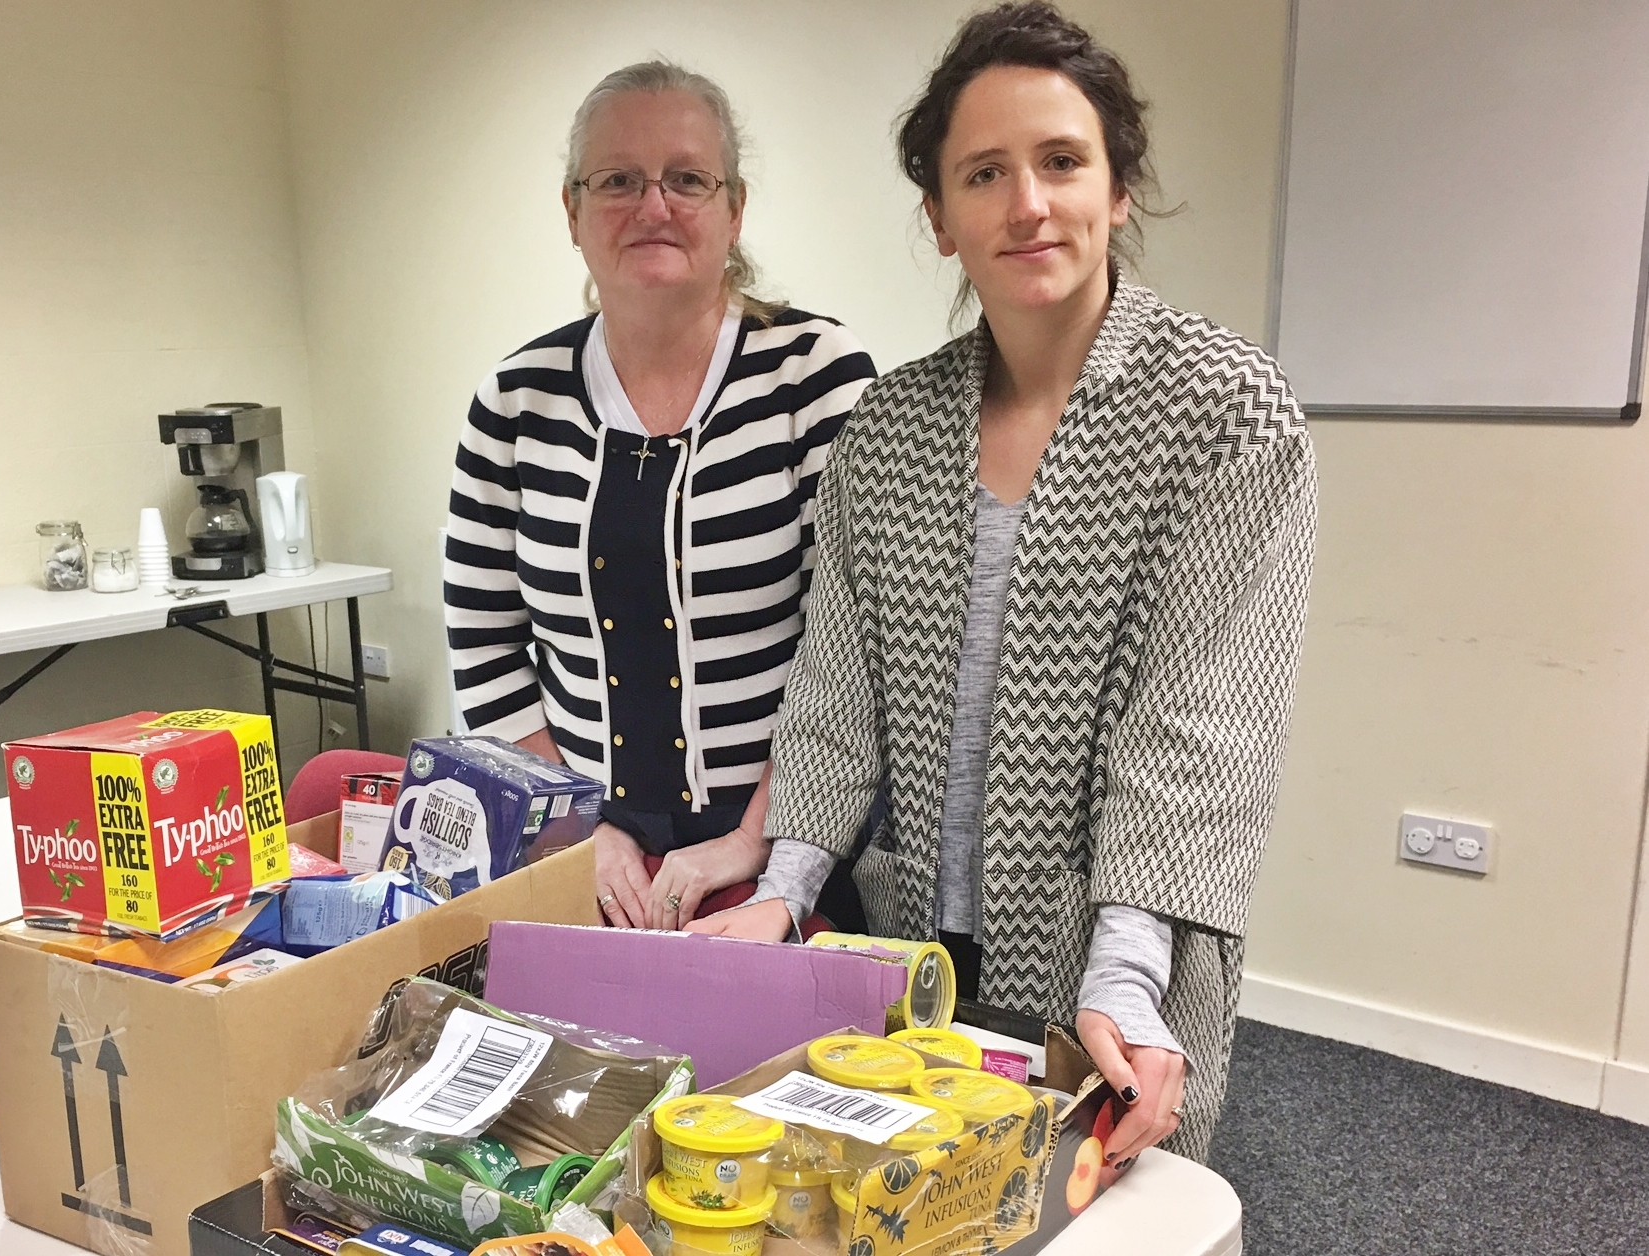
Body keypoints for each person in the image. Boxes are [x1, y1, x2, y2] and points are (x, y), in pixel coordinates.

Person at [690, 2, 1316, 1167]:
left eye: (1062, 161)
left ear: (1117, 187)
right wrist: (785, 888)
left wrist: (1127, 977)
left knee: (1083, 1216)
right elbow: (834, 689)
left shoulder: (1226, 416)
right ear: (940, 218)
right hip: (908, 939)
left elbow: (1201, 732)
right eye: (984, 173)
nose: (1027, 204)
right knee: (896, 1201)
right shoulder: (887, 428)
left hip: (1110, 959)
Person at [443, 62, 876, 933]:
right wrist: (572, 826)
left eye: (686, 178)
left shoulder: (815, 376)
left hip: (792, 853)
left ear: (734, 208)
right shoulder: (516, 401)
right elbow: (486, 644)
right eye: (617, 181)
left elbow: (861, 652)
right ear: (572, 211)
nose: (653, 206)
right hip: (581, 852)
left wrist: (757, 840)